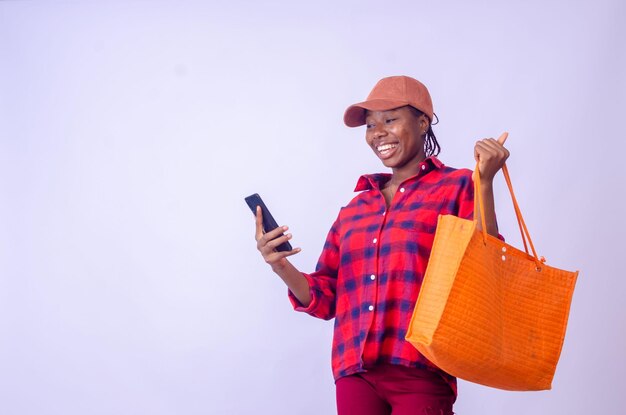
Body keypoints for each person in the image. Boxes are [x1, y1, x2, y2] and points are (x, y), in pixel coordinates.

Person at [254, 76, 509, 415]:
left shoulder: (457, 185)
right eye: (371, 125)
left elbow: (487, 263)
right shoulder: (355, 210)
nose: (377, 133)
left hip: (420, 367)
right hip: (354, 371)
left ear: (422, 123)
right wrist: (280, 264)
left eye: (390, 120)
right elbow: (326, 297)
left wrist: (486, 182)